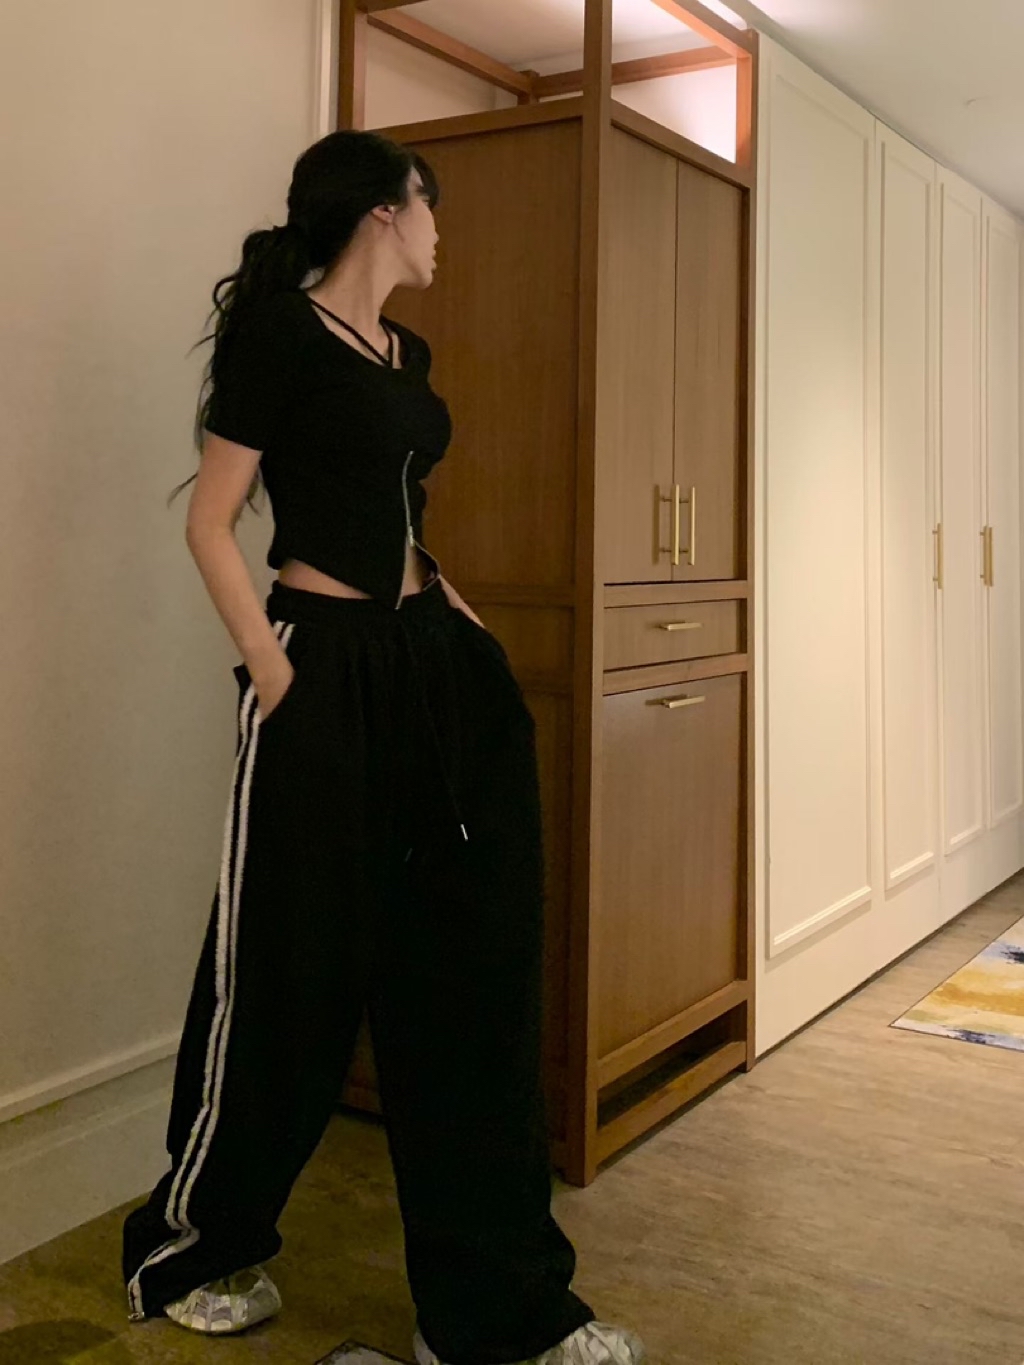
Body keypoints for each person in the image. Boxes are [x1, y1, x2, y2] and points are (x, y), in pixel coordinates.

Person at [119, 130, 647, 1365]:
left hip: (429, 663)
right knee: (287, 968)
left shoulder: (409, 354)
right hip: (323, 667)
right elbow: (210, 524)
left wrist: (455, 614)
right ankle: (196, 1242)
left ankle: (488, 1310)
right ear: (382, 213)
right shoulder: (278, 335)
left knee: (470, 973)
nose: (440, 234)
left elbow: (401, 511)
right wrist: (276, 674)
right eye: (430, 207)